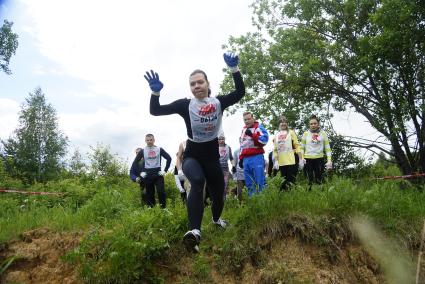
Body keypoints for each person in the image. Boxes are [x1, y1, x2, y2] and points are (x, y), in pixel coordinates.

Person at [144, 52, 244, 253]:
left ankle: (216, 219)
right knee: (197, 182)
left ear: (207, 84)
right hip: (192, 156)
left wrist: (234, 70)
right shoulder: (185, 105)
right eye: (192, 84)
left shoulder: (218, 103)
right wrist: (155, 93)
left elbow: (240, 92)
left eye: (200, 82)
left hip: (212, 158)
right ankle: (195, 232)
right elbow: (155, 111)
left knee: (218, 194)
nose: (196, 86)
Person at [238, 111, 269, 197]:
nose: (247, 121)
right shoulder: (243, 129)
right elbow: (242, 145)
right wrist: (241, 158)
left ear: (253, 118)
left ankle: (262, 200)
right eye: (245, 120)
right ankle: (253, 201)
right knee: (249, 181)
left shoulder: (258, 127)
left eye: (248, 119)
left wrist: (252, 135)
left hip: (256, 157)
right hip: (246, 159)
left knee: (259, 179)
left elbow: (264, 140)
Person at [300, 115, 332, 190]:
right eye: (311, 124)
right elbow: (302, 147)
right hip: (307, 159)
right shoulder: (305, 134)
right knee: (309, 179)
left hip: (319, 158)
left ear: (318, 124)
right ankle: (308, 194)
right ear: (309, 125)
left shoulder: (323, 134)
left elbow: (327, 148)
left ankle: (320, 195)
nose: (313, 125)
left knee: (319, 179)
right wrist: (301, 158)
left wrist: (329, 160)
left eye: (315, 123)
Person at [139, 134, 171, 208]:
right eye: (147, 140)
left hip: (158, 175)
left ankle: (163, 209)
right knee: (150, 194)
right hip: (148, 175)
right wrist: (141, 171)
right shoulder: (143, 151)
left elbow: (169, 158)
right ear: (145, 141)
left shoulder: (159, 149)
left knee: (161, 191)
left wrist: (165, 170)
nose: (149, 141)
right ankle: (151, 210)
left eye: (151, 140)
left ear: (154, 140)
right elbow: (135, 162)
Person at [273, 116, 303, 191]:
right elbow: (275, 150)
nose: (283, 123)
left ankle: (292, 198)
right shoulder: (276, 136)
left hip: (292, 160)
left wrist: (301, 159)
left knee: (291, 182)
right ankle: (283, 199)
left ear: (287, 123)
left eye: (284, 122)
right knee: (283, 182)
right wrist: (276, 161)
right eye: (281, 122)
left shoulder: (291, 132)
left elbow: (297, 145)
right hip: (281, 162)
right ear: (279, 124)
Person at [218, 134, 233, 199]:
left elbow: (231, 158)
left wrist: (234, 166)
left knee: (225, 185)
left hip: (225, 168)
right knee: (217, 185)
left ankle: (224, 201)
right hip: (217, 168)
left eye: (222, 139)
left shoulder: (228, 147)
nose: (221, 140)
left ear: (225, 139)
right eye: (220, 139)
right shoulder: (214, 147)